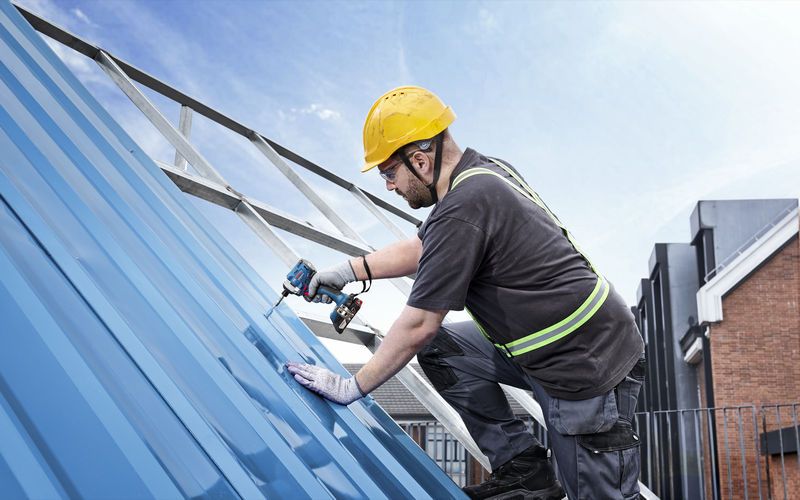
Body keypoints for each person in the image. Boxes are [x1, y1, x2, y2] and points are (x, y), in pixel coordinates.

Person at [286, 86, 646, 500]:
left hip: (585, 365)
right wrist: (348, 270)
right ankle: (524, 469)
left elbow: (420, 323)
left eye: (389, 173)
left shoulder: (464, 205)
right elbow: (425, 247)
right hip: (548, 347)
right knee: (444, 350)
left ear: (419, 160)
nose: (389, 186)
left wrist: (352, 386)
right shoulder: (484, 173)